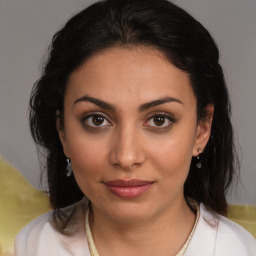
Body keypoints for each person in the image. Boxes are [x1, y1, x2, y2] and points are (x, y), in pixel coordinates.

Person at [14, 0, 256, 255]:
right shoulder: (28, 246)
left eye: (159, 120)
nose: (126, 157)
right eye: (97, 120)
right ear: (62, 131)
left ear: (202, 130)